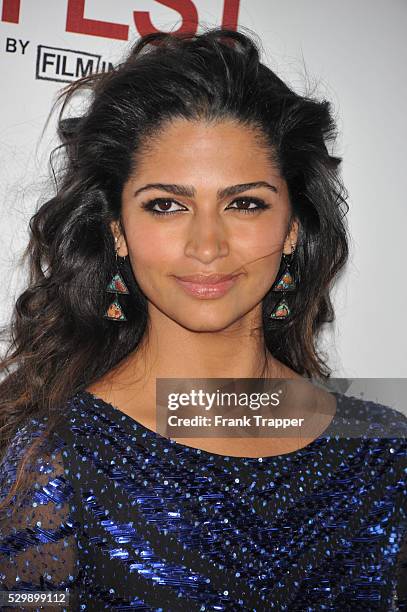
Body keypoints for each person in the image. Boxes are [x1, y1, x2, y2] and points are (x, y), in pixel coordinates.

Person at [0, 26, 406, 611]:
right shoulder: (53, 459)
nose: (207, 244)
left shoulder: (383, 448)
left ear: (292, 226)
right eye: (166, 206)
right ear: (118, 230)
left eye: (245, 203)